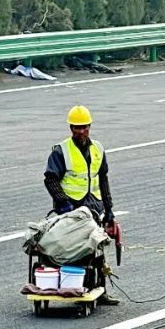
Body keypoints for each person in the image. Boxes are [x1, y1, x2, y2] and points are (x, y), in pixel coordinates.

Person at [43, 105, 120, 304]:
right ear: (71, 128)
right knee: (75, 250)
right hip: (70, 208)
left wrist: (109, 209)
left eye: (85, 127)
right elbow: (50, 179)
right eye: (77, 128)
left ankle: (100, 290)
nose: (81, 131)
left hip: (94, 206)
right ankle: (75, 288)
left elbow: (103, 180)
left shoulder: (98, 149)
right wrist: (64, 202)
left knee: (98, 248)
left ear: (90, 126)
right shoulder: (61, 151)